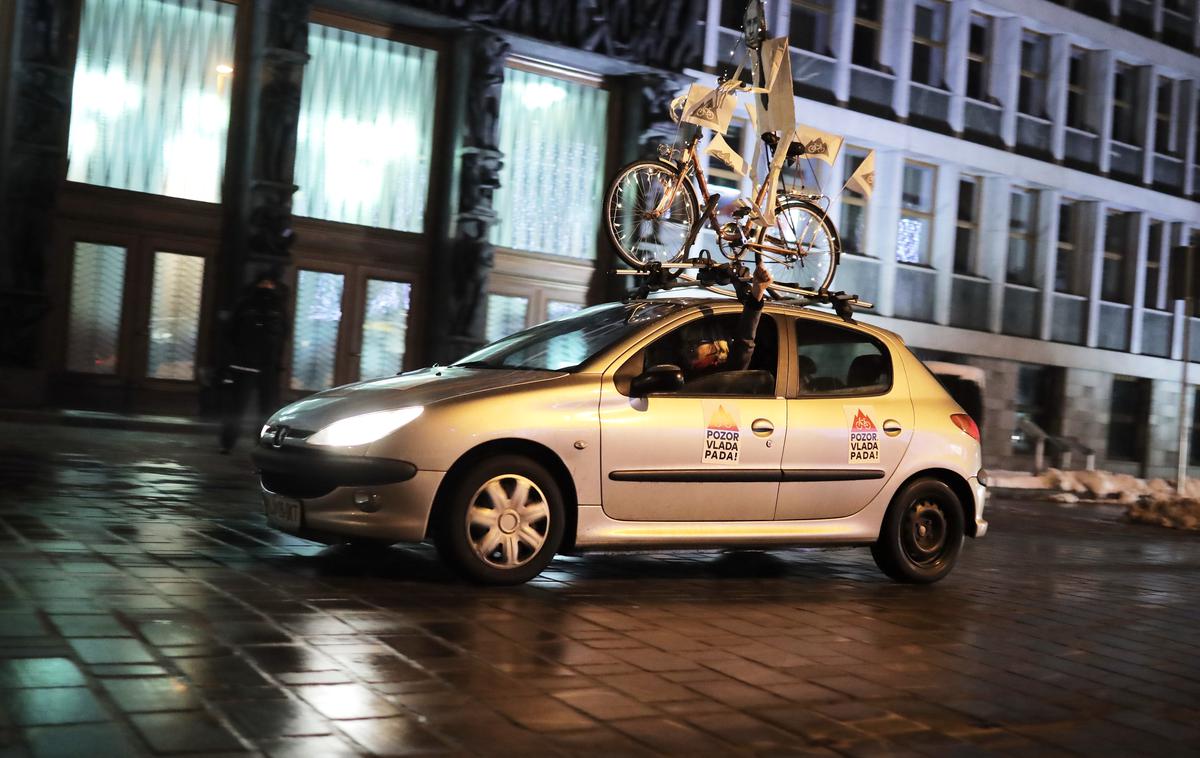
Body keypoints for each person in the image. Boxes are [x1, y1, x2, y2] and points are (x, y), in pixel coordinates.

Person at [219, 271, 288, 453]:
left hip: (268, 365)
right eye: (263, 283)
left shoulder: (278, 307)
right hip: (245, 363)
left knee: (266, 409)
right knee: (237, 406)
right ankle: (228, 443)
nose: (266, 286)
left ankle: (262, 443)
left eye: (269, 283)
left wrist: (277, 361)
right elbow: (231, 334)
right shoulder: (246, 305)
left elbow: (283, 336)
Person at [683, 263, 773, 374]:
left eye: (693, 346)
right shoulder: (684, 371)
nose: (687, 350)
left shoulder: (723, 377)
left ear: (715, 354)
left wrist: (757, 292)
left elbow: (744, 342)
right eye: (689, 345)